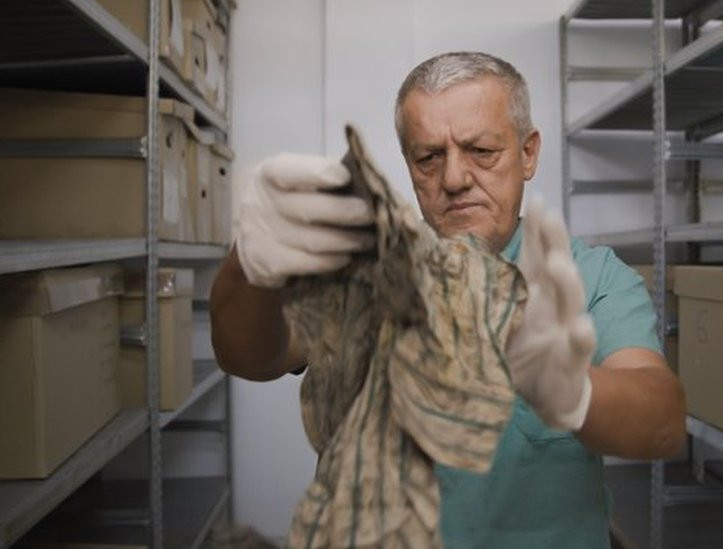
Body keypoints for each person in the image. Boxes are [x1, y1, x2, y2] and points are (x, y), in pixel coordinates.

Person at [211, 51, 686, 548]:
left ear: (528, 154)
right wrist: (250, 265)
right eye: (429, 157)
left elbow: (663, 423)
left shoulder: (591, 277)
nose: (455, 179)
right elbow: (247, 356)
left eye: (482, 151)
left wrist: (568, 388)